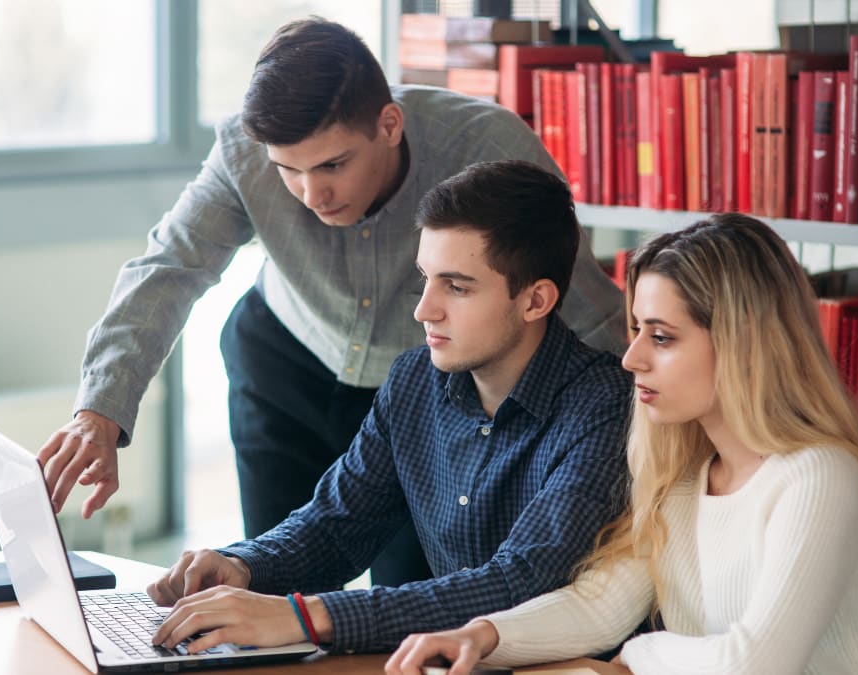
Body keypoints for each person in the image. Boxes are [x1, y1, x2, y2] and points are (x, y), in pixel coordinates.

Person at [35, 17, 626, 587]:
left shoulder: (487, 146)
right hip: (284, 366)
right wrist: (100, 411)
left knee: (409, 595)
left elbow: (576, 298)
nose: (311, 194)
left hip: (420, 392)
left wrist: (644, 426)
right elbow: (170, 267)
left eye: (333, 165)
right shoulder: (243, 152)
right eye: (287, 171)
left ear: (389, 124)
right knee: (265, 576)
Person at [386, 214, 858, 675]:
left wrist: (635, 655)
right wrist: (481, 637)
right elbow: (599, 605)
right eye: (636, 330)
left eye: (662, 337)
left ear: (744, 346)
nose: (632, 359)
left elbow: (753, 664)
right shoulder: (686, 480)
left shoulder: (819, 475)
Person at [144, 160, 632, 656]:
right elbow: (337, 525)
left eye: (457, 287)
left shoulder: (606, 408)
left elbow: (519, 585)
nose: (424, 309)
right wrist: (243, 565)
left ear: (535, 301)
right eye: (426, 279)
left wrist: (306, 617)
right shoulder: (414, 380)